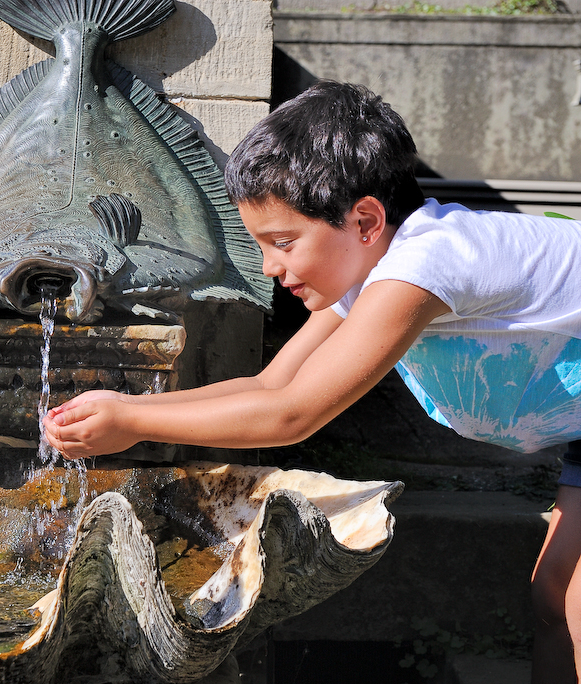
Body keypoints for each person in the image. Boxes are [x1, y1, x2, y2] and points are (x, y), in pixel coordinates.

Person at [42, 80, 581, 682]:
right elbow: (271, 385)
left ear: (366, 220)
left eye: (283, 242)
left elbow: (294, 414)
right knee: (555, 598)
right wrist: (127, 406)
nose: (272, 268)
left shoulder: (430, 262)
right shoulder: (370, 271)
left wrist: (134, 424)